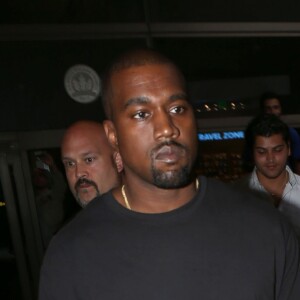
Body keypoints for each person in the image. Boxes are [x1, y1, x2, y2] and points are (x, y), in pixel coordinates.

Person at [39, 48, 300, 299]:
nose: (167, 128)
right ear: (112, 135)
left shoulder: (266, 229)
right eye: (141, 114)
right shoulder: (71, 253)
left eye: (177, 109)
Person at [238, 113, 300, 237]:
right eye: (262, 152)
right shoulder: (236, 194)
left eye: (277, 150)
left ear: (288, 149)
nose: (270, 158)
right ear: (252, 152)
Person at [61, 120, 122, 208]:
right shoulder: (78, 222)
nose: (79, 173)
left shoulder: (145, 216)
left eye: (89, 160)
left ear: (118, 161)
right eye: (70, 164)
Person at [259, 92, 300, 174]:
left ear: (280, 109)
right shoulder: (257, 135)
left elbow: (298, 163)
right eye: (268, 108)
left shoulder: (291, 133)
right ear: (263, 111)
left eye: (275, 107)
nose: (272, 112)